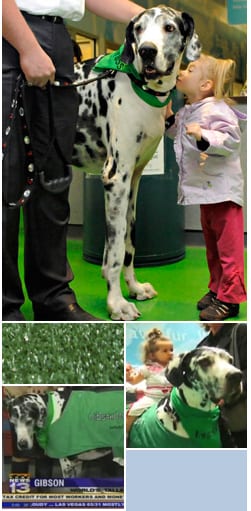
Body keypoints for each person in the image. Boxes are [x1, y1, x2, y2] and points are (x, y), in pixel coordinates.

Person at [2, 0, 145, 321]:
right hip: (11, 34)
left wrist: (151, 16)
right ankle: (5, 307)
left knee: (54, 179)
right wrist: (27, 46)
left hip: (59, 39)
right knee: (6, 182)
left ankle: (52, 296)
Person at [165, 54, 247, 321]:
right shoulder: (191, 109)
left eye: (190, 69)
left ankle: (230, 299)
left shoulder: (217, 109)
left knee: (229, 250)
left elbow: (231, 140)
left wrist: (204, 136)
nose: (182, 71)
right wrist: (169, 121)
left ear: (205, 85)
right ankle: (217, 288)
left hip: (223, 193)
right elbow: (180, 133)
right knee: (213, 247)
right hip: (207, 193)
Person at [197, 323, 247, 448]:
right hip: (215, 422)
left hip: (241, 415)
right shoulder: (202, 347)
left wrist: (228, 392)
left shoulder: (241, 331)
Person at [126, 328, 173, 434]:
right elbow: (134, 381)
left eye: (171, 350)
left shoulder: (173, 368)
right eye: (165, 351)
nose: (170, 353)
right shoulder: (148, 368)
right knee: (133, 411)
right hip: (152, 399)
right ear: (152, 355)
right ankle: (125, 436)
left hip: (170, 399)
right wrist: (128, 377)